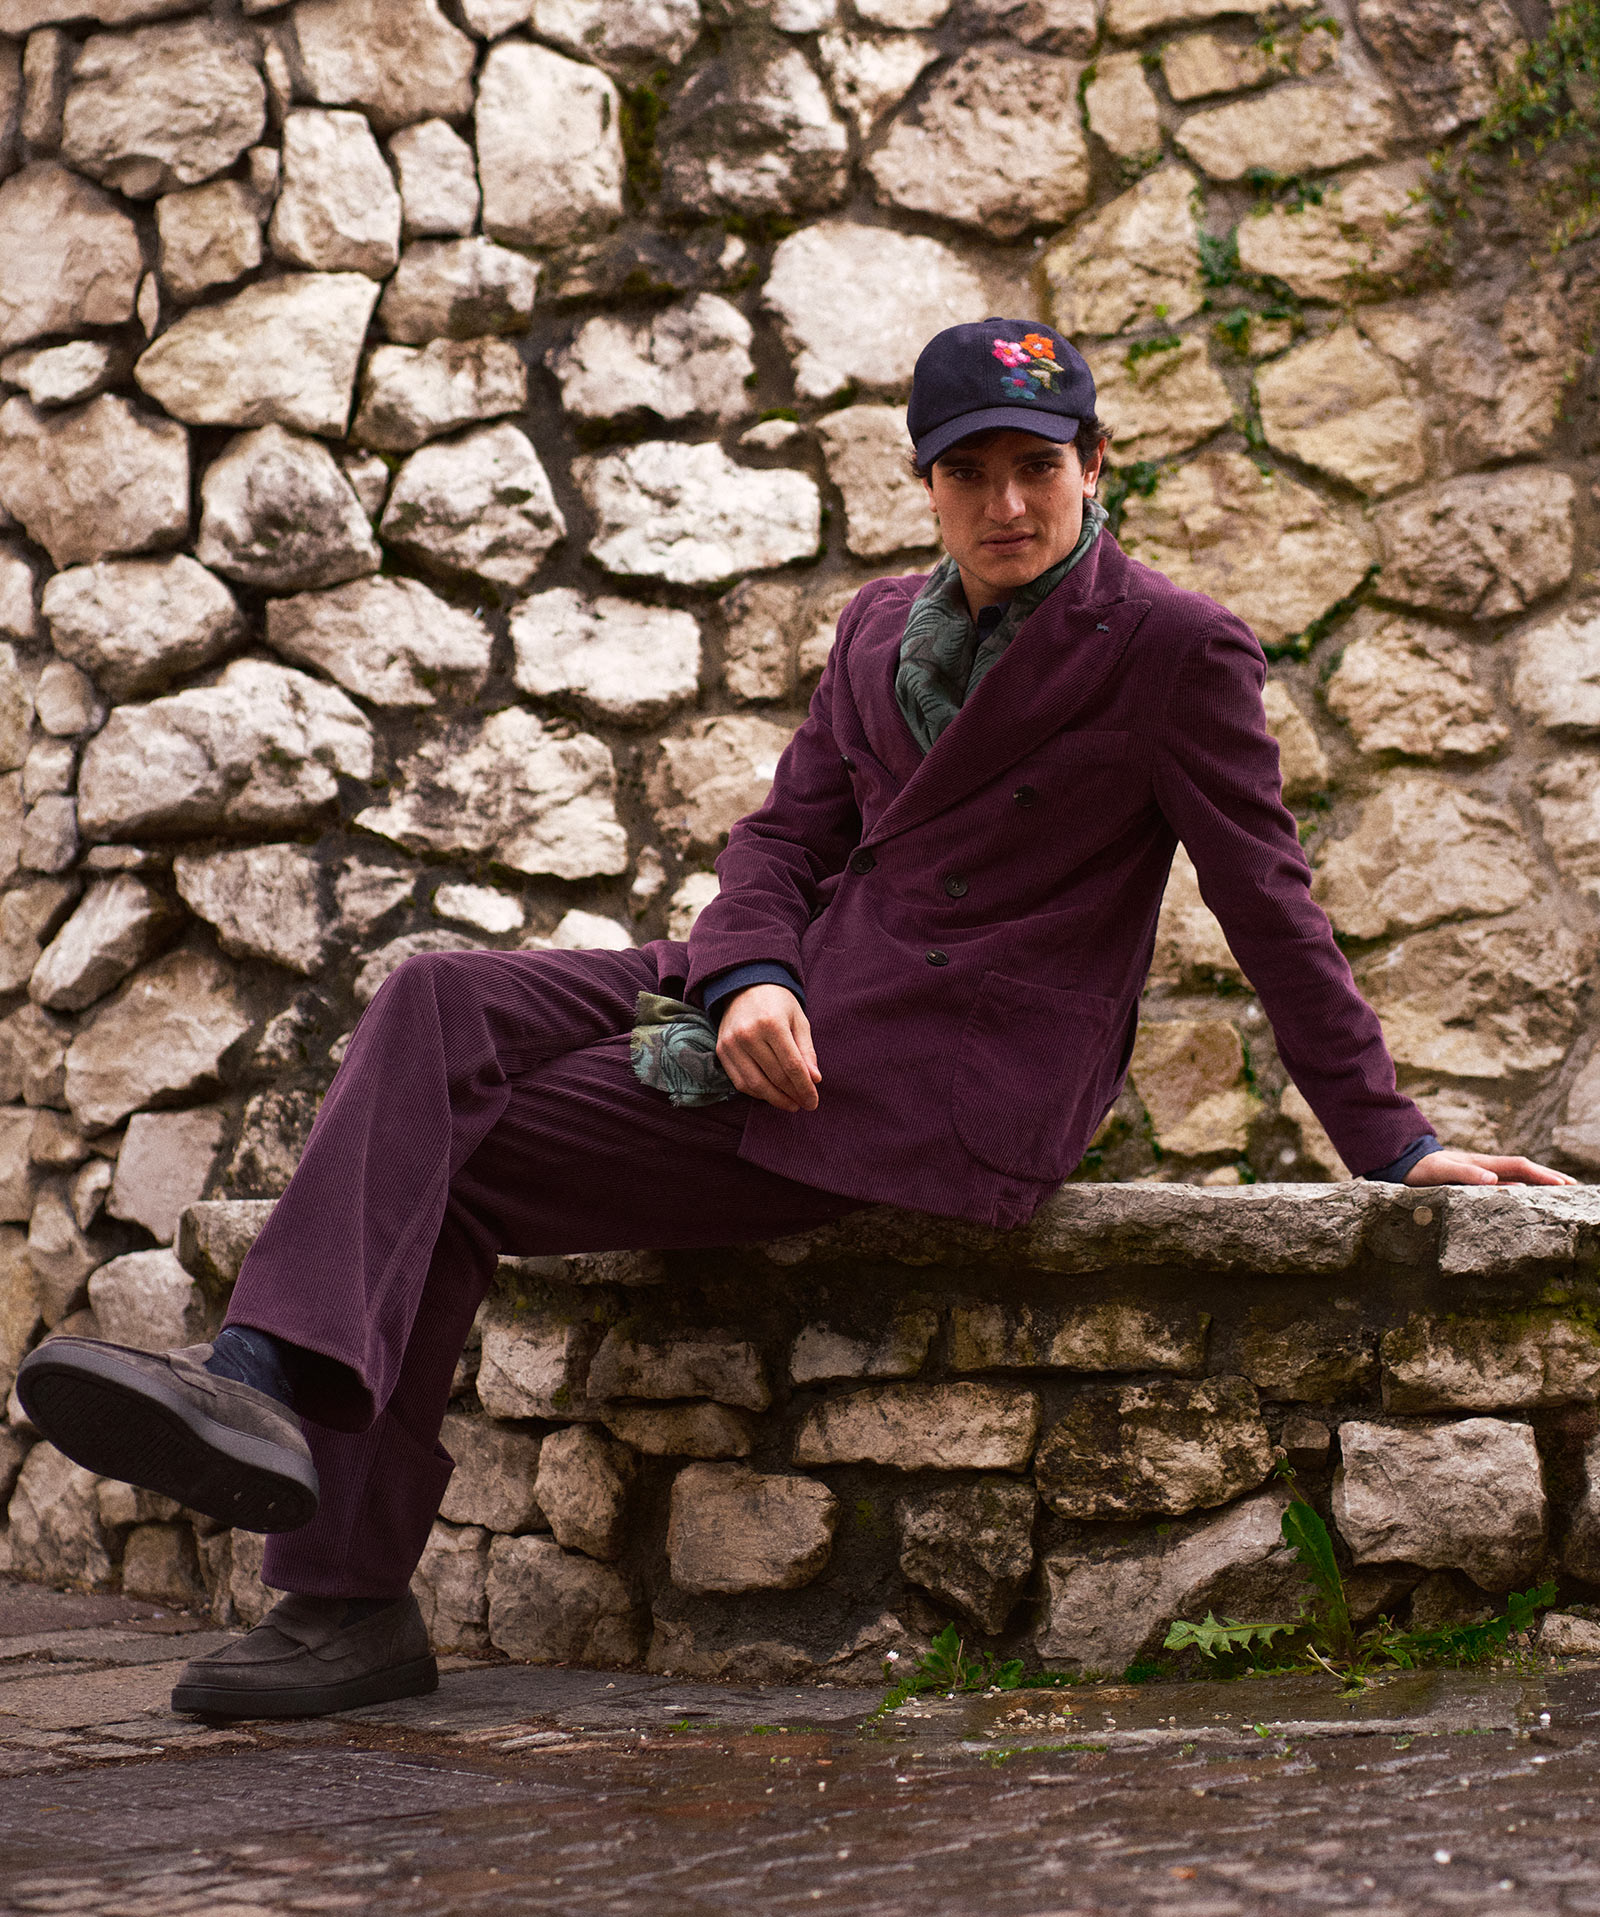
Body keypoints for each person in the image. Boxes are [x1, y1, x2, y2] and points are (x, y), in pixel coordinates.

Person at [16, 318, 1573, 1718]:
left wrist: (1394, 1140)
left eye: (1041, 467)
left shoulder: (1175, 647)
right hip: (802, 986)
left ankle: (340, 1592)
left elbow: (1270, 904)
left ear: (1098, 468)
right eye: (974, 474)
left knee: (454, 1160)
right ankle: (260, 1388)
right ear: (927, 485)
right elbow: (776, 847)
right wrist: (748, 973)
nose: (1009, 505)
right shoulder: (879, 628)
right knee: (436, 995)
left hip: (938, 1078)